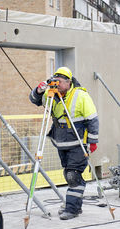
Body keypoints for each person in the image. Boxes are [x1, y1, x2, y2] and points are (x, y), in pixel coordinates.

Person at [29, 67, 99, 220]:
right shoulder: (52, 94)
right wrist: (39, 90)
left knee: (73, 175)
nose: (57, 85)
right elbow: (34, 100)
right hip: (61, 143)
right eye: (55, 82)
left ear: (68, 82)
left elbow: (93, 119)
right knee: (69, 175)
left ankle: (72, 209)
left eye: (60, 82)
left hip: (79, 143)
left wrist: (93, 141)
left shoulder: (81, 96)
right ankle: (74, 205)